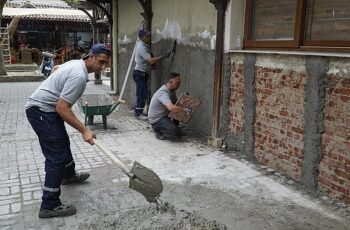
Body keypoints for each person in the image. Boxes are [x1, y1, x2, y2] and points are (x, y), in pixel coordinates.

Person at [25, 44, 111, 218]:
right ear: (91, 57)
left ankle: (68, 176)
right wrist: (84, 130)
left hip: (46, 109)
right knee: (56, 156)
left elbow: (57, 68)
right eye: (101, 62)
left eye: (106, 64)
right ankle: (49, 205)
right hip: (41, 111)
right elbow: (62, 108)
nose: (102, 67)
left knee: (63, 141)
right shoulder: (79, 75)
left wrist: (59, 71)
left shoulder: (75, 64)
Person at [133, 29, 172, 119]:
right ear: (142, 37)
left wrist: (153, 64)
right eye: (147, 36)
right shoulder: (141, 47)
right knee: (141, 93)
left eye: (149, 36)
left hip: (142, 73)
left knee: (143, 93)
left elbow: (150, 56)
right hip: (140, 73)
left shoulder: (145, 45)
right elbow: (150, 60)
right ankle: (138, 114)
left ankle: (140, 111)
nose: (149, 38)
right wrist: (163, 56)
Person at [148, 72, 188, 140]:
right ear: (171, 81)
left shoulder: (172, 91)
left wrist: (184, 99)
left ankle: (174, 128)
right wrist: (184, 109)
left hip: (165, 116)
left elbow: (175, 104)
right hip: (157, 120)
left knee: (177, 110)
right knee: (173, 132)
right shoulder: (163, 93)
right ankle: (158, 131)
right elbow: (171, 108)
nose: (179, 85)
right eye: (177, 83)